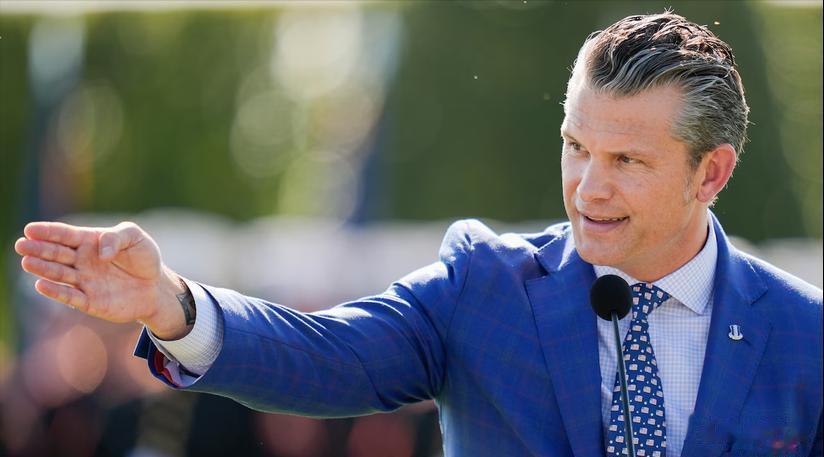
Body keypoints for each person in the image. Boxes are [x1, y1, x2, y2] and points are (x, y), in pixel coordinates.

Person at [14, 12, 822, 457]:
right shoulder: (485, 286)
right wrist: (172, 302)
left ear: (711, 173)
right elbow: (327, 354)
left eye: (627, 160)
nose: (588, 186)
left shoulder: (804, 335)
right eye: (576, 146)